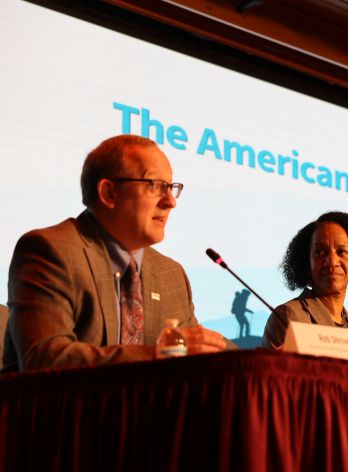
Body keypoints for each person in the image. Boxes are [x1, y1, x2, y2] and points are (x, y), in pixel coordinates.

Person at [2, 135, 229, 372]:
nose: (170, 201)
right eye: (155, 185)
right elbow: (45, 358)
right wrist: (161, 354)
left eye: (171, 187)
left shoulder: (170, 274)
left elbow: (200, 351)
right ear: (109, 193)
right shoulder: (50, 250)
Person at [262, 211, 348, 348]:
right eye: (320, 252)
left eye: (342, 252)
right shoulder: (289, 317)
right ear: (307, 263)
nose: (331, 261)